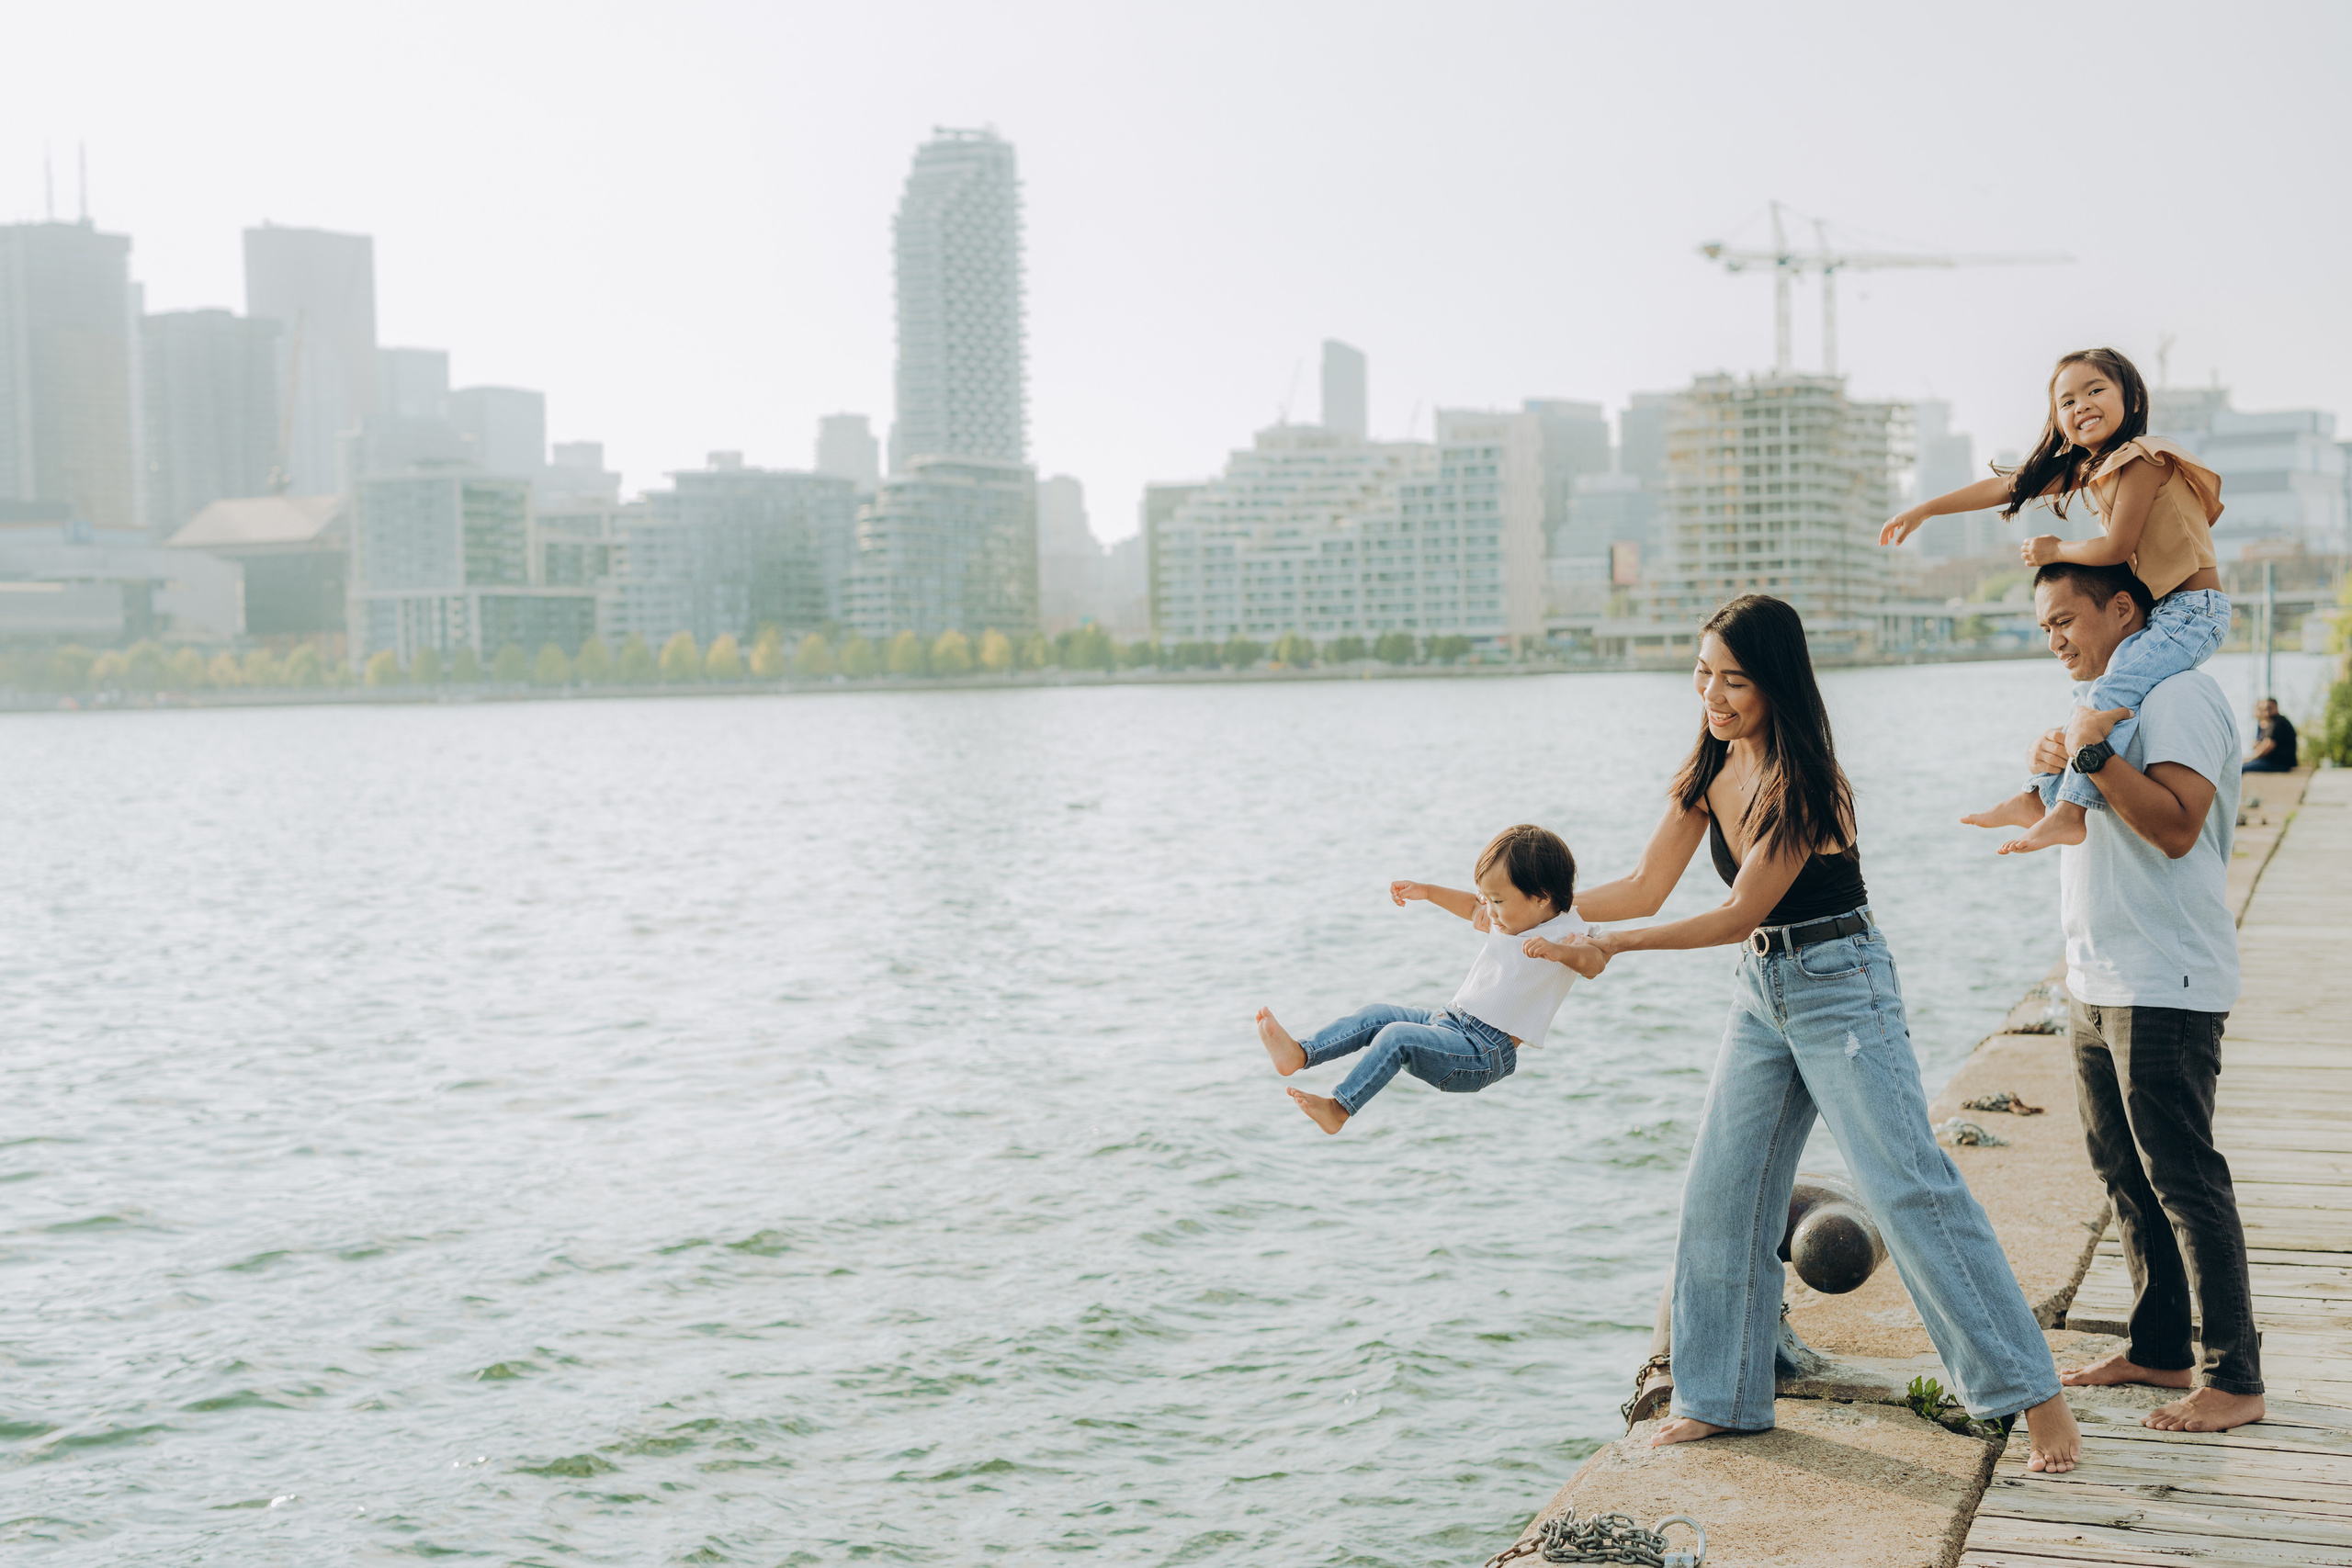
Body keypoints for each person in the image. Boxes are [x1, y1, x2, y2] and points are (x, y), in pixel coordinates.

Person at [1568, 594, 2083, 1472]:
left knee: (1908, 1187)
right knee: (1721, 1190)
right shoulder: (1709, 769)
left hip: (1841, 987)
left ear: (1776, 684)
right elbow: (1644, 884)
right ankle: (1722, 1397)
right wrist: (1529, 915)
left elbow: (1738, 910)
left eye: (1734, 680)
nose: (1714, 695)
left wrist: (1611, 945)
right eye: (1704, 673)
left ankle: (2036, 1401)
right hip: (1762, 991)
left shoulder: (1804, 784)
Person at [1997, 561, 2266, 1432]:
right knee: (2125, 1174)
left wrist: (2090, 754)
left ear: (2125, 609)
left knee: (2184, 1178)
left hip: (2165, 979)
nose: (2057, 639)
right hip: (2097, 975)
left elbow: (2178, 826)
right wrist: (2052, 775)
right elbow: (2096, 808)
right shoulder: (2107, 706)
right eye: (2043, 627)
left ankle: (2236, 1377)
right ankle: (2159, 1349)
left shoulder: (2180, 695)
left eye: (2067, 618)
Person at [1883, 348, 2227, 855]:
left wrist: (2055, 549)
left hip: (2193, 611)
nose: (2081, 405)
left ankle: (2069, 812)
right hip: (2167, 612)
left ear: (2130, 399)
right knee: (2089, 695)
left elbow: (2116, 548)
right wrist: (1928, 508)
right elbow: (2010, 487)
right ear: (2059, 421)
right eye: (2067, 401)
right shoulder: (2097, 468)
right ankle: (2040, 796)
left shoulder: (2142, 461)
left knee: (2113, 687)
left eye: (2095, 391)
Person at [1256, 824, 1601, 1134]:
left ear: (1541, 897)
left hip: (1481, 1053)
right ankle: (1301, 1054)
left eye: (1497, 901)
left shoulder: (1567, 931)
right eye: (1487, 899)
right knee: (1377, 1015)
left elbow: (1593, 962)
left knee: (1395, 1037)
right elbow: (1471, 908)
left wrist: (1559, 953)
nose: (1490, 912)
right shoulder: (1507, 917)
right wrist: (1427, 891)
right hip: (1448, 1020)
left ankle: (1339, 1108)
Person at [2243, 697, 2298, 773]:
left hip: (2279, 764)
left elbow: (2269, 746)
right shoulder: (2273, 722)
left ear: (2276, 707)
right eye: (2264, 709)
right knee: (2243, 765)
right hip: (2276, 763)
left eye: (2269, 708)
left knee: (2242, 768)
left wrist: (2251, 758)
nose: (2267, 711)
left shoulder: (2279, 722)